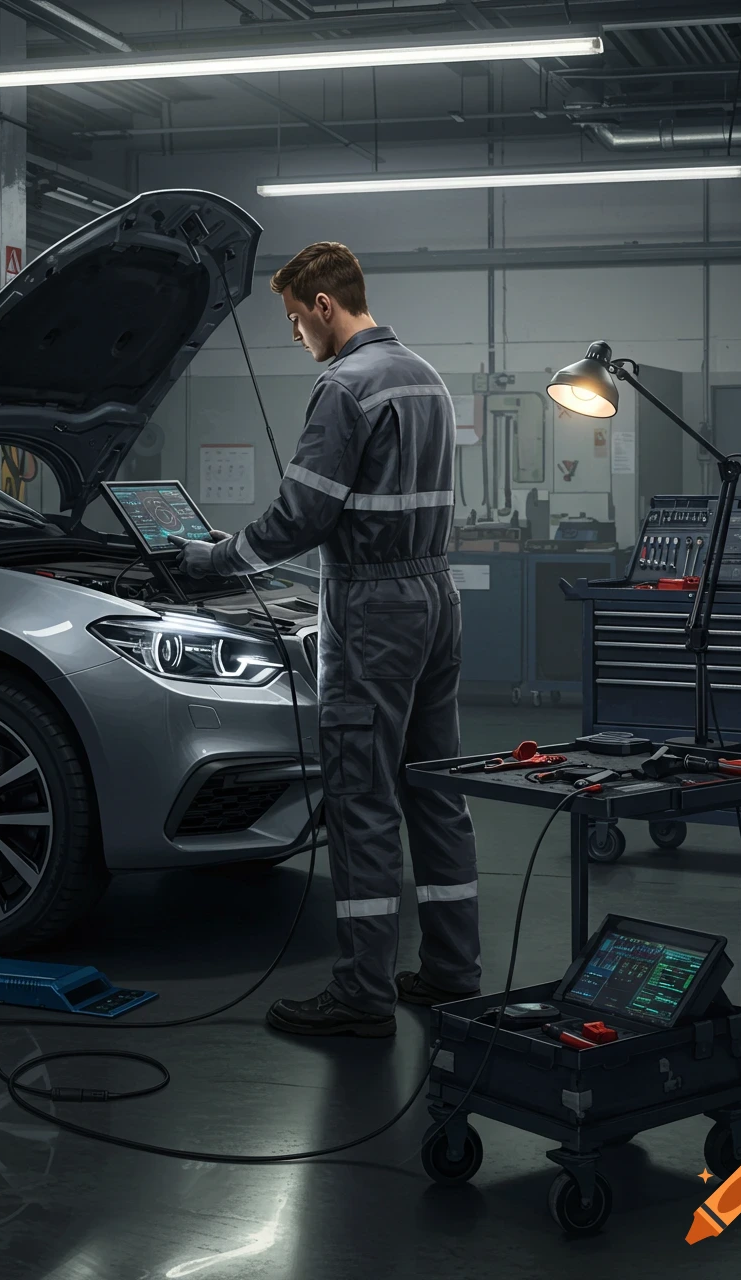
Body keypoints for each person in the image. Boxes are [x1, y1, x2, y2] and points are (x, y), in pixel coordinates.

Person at [178, 242, 481, 1038]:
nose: (294, 337)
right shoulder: (426, 377)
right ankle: (452, 971)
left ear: (323, 306)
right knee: (435, 792)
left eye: (292, 320)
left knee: (362, 801)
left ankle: (361, 995)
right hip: (436, 597)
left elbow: (300, 519)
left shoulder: (345, 387)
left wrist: (214, 559)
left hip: (375, 607)